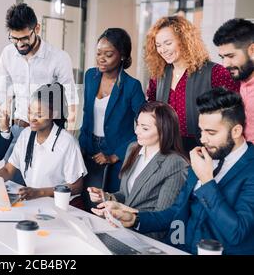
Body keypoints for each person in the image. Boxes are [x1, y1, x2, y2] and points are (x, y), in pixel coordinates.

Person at [101, 88, 254, 255]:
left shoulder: (249, 169)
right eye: (201, 131)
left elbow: (237, 233)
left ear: (236, 131)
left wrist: (207, 182)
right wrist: (134, 219)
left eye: (211, 133)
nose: (202, 139)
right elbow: (175, 211)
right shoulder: (203, 157)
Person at [0, 3, 79, 184]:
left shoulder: (59, 58)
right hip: (18, 130)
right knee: (12, 188)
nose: (19, 44)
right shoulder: (7, 54)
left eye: (24, 38)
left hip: (47, 134)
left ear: (37, 28)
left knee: (41, 191)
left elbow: (72, 99)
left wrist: (68, 139)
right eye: (14, 39)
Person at [87, 101, 188, 240]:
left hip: (147, 236)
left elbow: (163, 219)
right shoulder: (133, 149)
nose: (136, 131)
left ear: (164, 131)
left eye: (144, 128)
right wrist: (106, 196)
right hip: (121, 227)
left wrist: (124, 213)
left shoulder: (175, 164)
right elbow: (126, 194)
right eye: (138, 124)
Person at [145, 16, 239, 153]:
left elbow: (234, 113)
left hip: (202, 149)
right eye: (158, 45)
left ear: (183, 41)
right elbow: (151, 108)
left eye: (168, 43)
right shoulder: (158, 75)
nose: (162, 50)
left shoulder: (216, 72)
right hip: (166, 147)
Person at [78, 28, 146, 209]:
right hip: (88, 147)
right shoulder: (91, 76)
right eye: (98, 53)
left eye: (108, 54)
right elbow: (87, 114)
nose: (101, 58)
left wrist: (115, 156)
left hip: (117, 151)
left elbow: (145, 127)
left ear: (122, 55)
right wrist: (80, 145)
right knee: (86, 200)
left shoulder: (132, 86)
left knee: (108, 203)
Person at [0, 83, 87, 206]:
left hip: (63, 205)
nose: (32, 118)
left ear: (54, 114)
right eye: (30, 112)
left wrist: (40, 192)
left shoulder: (67, 142)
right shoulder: (25, 135)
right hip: (36, 202)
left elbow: (77, 186)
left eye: (39, 115)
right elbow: (8, 170)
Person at [213, 18, 254, 143]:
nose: (225, 64)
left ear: (252, 50)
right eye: (222, 57)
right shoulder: (238, 81)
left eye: (231, 56)